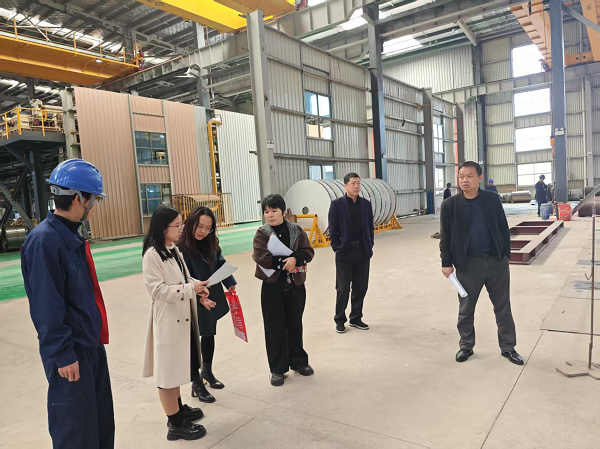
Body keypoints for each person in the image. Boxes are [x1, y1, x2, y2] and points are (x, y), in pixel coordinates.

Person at [21, 159, 115, 448]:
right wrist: (62, 354)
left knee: (100, 425)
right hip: (71, 353)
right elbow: (46, 306)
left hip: (90, 346)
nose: (95, 205)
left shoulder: (70, 236)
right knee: (76, 433)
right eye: (94, 199)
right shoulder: (45, 242)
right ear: (78, 199)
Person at [142, 205, 214, 441]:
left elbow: (183, 277)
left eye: (181, 224)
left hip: (182, 318)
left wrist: (197, 286)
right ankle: (175, 424)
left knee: (177, 368)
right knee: (167, 375)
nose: (182, 229)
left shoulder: (172, 249)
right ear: (163, 228)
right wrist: (190, 289)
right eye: (177, 225)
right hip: (168, 322)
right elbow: (158, 290)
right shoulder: (152, 255)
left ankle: (179, 409)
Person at [439, 161, 523, 366]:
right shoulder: (450, 205)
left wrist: (504, 255)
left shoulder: (491, 199)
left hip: (496, 262)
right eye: (461, 177)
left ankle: (508, 347)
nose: (464, 180)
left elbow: (502, 227)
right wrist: (446, 262)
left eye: (469, 176)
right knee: (466, 309)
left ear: (479, 178)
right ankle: (466, 346)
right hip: (468, 265)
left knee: (503, 307)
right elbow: (445, 236)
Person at [252, 194, 315, 387]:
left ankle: (299, 361)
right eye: (266, 212)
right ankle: (277, 368)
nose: (270, 215)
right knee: (274, 326)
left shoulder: (296, 230)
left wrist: (295, 258)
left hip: (295, 284)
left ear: (283, 212)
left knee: (295, 323)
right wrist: (283, 263)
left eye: (274, 211)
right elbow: (260, 256)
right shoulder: (262, 233)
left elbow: (308, 252)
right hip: (272, 286)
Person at [179, 206, 237, 403]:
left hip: (210, 294)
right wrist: (195, 292)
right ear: (190, 223)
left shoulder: (210, 242)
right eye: (200, 226)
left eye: (208, 228)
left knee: (209, 333)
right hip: (191, 297)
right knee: (193, 340)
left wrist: (229, 283)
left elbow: (219, 261)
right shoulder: (180, 248)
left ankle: (207, 372)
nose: (203, 231)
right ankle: (196, 382)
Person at [328, 173, 374, 333]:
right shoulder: (337, 205)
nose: (356, 186)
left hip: (362, 251)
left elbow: (370, 227)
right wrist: (337, 247)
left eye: (358, 183)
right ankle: (340, 320)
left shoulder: (366, 205)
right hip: (344, 253)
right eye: (353, 183)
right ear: (345, 186)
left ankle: (356, 318)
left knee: (361, 287)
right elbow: (332, 229)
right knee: (343, 288)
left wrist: (370, 244)